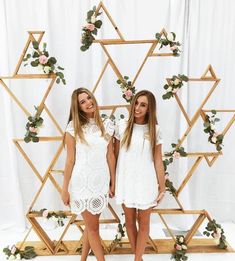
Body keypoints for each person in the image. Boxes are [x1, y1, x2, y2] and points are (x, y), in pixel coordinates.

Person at [61, 87, 115, 261]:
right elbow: (70, 160)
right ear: (78, 108)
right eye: (82, 102)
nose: (88, 102)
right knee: (93, 229)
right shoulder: (73, 128)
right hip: (82, 183)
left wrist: (113, 181)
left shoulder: (107, 125)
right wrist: (64, 188)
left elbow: (110, 155)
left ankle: (82, 259)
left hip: (100, 181)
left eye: (89, 98)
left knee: (90, 227)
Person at [114, 90, 166, 261]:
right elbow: (114, 157)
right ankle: (139, 257)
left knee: (144, 222)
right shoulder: (121, 126)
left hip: (146, 182)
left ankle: (137, 258)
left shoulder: (155, 130)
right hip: (126, 180)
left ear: (150, 108)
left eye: (143, 105)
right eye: (136, 103)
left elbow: (158, 160)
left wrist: (162, 186)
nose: (137, 107)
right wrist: (112, 182)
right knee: (129, 221)